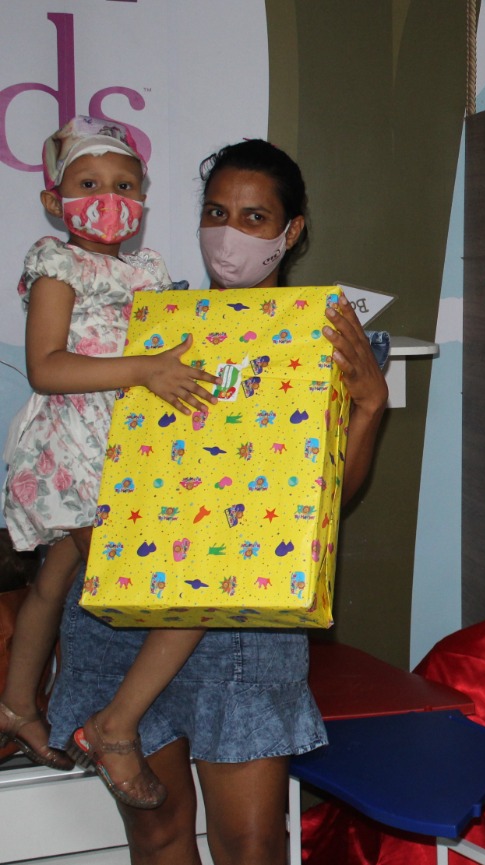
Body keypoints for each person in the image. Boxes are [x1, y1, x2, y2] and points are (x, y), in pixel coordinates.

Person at [46, 139, 389, 865]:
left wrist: (368, 407)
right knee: (158, 831)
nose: (230, 230)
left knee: (250, 844)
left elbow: (331, 496)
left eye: (255, 215)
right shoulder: (153, 318)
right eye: (217, 211)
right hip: (123, 603)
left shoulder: (322, 334)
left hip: (244, 618)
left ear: (291, 231)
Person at [1, 116, 220, 810]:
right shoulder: (56, 263)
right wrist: (148, 369)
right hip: (74, 452)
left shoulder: (147, 270)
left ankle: (14, 706)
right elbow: (46, 366)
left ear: (144, 198)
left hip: (124, 447)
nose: (109, 197)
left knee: (53, 582)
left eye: (125, 185)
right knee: (183, 594)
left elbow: (174, 349)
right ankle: (117, 725)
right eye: (88, 183)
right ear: (52, 199)